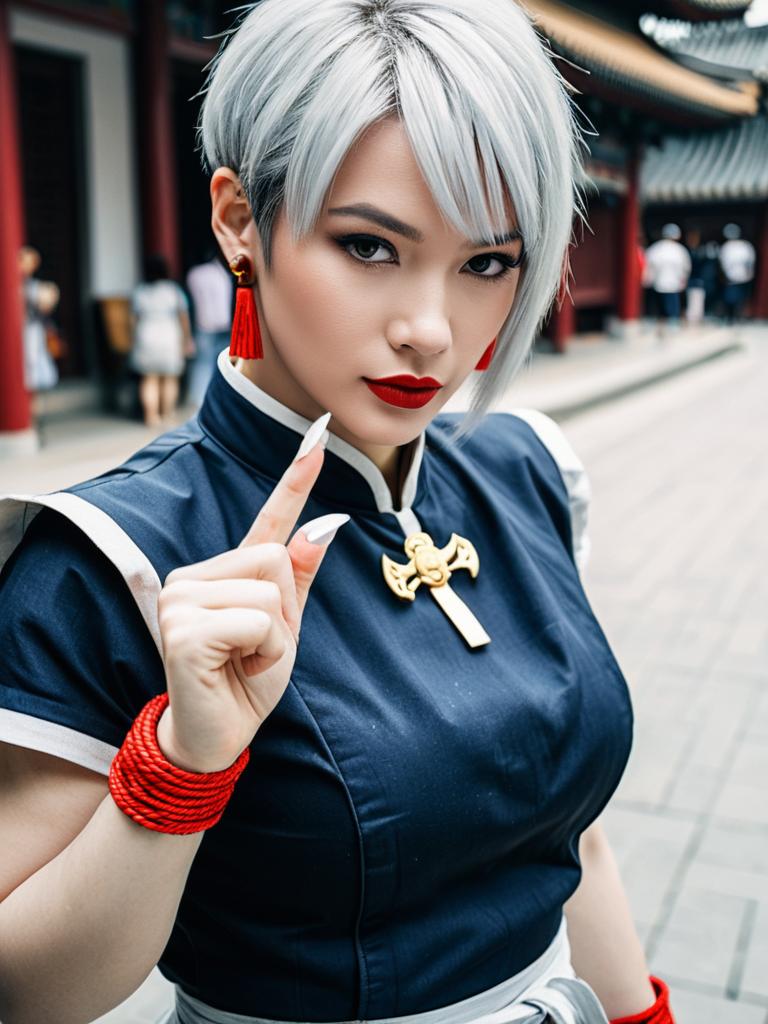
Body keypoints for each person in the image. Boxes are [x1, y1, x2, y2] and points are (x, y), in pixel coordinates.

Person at [0, 3, 676, 1023]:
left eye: (487, 263)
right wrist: (181, 765)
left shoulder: (524, 471)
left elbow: (574, 842)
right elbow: (26, 989)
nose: (430, 330)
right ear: (238, 219)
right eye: (369, 247)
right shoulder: (111, 559)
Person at [130, 253, 194, 426]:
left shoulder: (140, 292)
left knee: (149, 379)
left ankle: (151, 416)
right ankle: (167, 414)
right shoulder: (173, 291)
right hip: (169, 334)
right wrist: (187, 339)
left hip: (146, 334)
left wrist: (133, 340)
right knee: (170, 378)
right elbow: (183, 318)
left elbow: (134, 320)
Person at [185, 251, 233, 406]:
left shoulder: (194, 275)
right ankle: (219, 399)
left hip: (203, 325)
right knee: (223, 365)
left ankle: (198, 400)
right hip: (222, 325)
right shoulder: (223, 275)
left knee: (201, 365)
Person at [18, 245, 60, 393]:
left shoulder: (34, 286)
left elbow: (46, 305)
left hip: (31, 331)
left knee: (32, 365)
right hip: (15, 332)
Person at [644, 224, 691, 335]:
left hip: (658, 284)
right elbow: (686, 268)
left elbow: (648, 266)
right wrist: (683, 280)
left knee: (661, 308)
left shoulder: (655, 249)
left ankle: (662, 327)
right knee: (673, 307)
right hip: (674, 284)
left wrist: (648, 280)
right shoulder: (680, 250)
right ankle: (672, 328)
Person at [718, 223, 755, 324]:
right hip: (741, 278)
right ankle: (733, 317)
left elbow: (723, 263)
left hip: (735, 278)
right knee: (735, 299)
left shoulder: (728, 247)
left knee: (734, 300)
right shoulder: (745, 246)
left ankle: (733, 317)